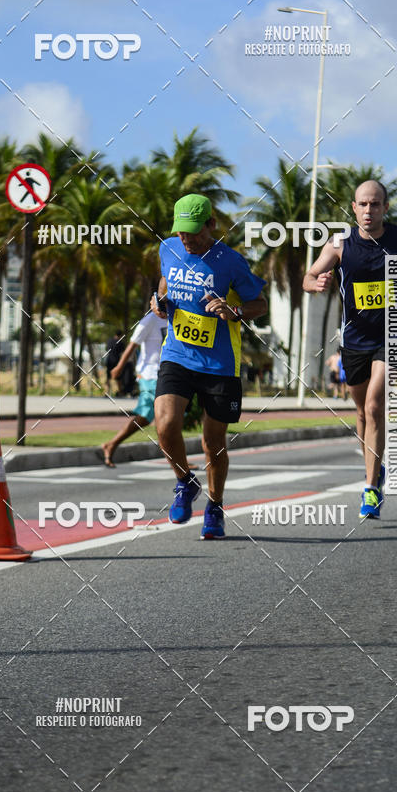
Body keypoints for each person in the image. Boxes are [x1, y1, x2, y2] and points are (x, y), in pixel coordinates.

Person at [303, 180, 397, 520]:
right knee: (362, 412)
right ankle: (375, 468)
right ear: (353, 208)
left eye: (375, 204)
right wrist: (316, 283)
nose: (369, 211)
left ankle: (370, 489)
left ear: (385, 208)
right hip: (354, 341)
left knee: (375, 403)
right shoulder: (340, 244)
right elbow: (308, 276)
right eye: (363, 205)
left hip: (393, 334)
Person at [151, 193, 267, 539]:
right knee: (165, 423)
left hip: (219, 364)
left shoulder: (230, 262)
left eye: (194, 232)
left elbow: (258, 303)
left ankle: (214, 506)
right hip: (178, 354)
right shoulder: (169, 249)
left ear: (212, 225)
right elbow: (165, 282)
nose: (186, 238)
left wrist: (234, 312)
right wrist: (159, 301)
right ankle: (185, 483)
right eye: (181, 231)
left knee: (212, 442)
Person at [101, 310, 167, 467]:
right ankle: (178, 462)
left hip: (166, 374)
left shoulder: (174, 316)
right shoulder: (150, 319)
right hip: (150, 375)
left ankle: (111, 444)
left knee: (145, 418)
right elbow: (133, 345)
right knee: (167, 416)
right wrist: (119, 367)